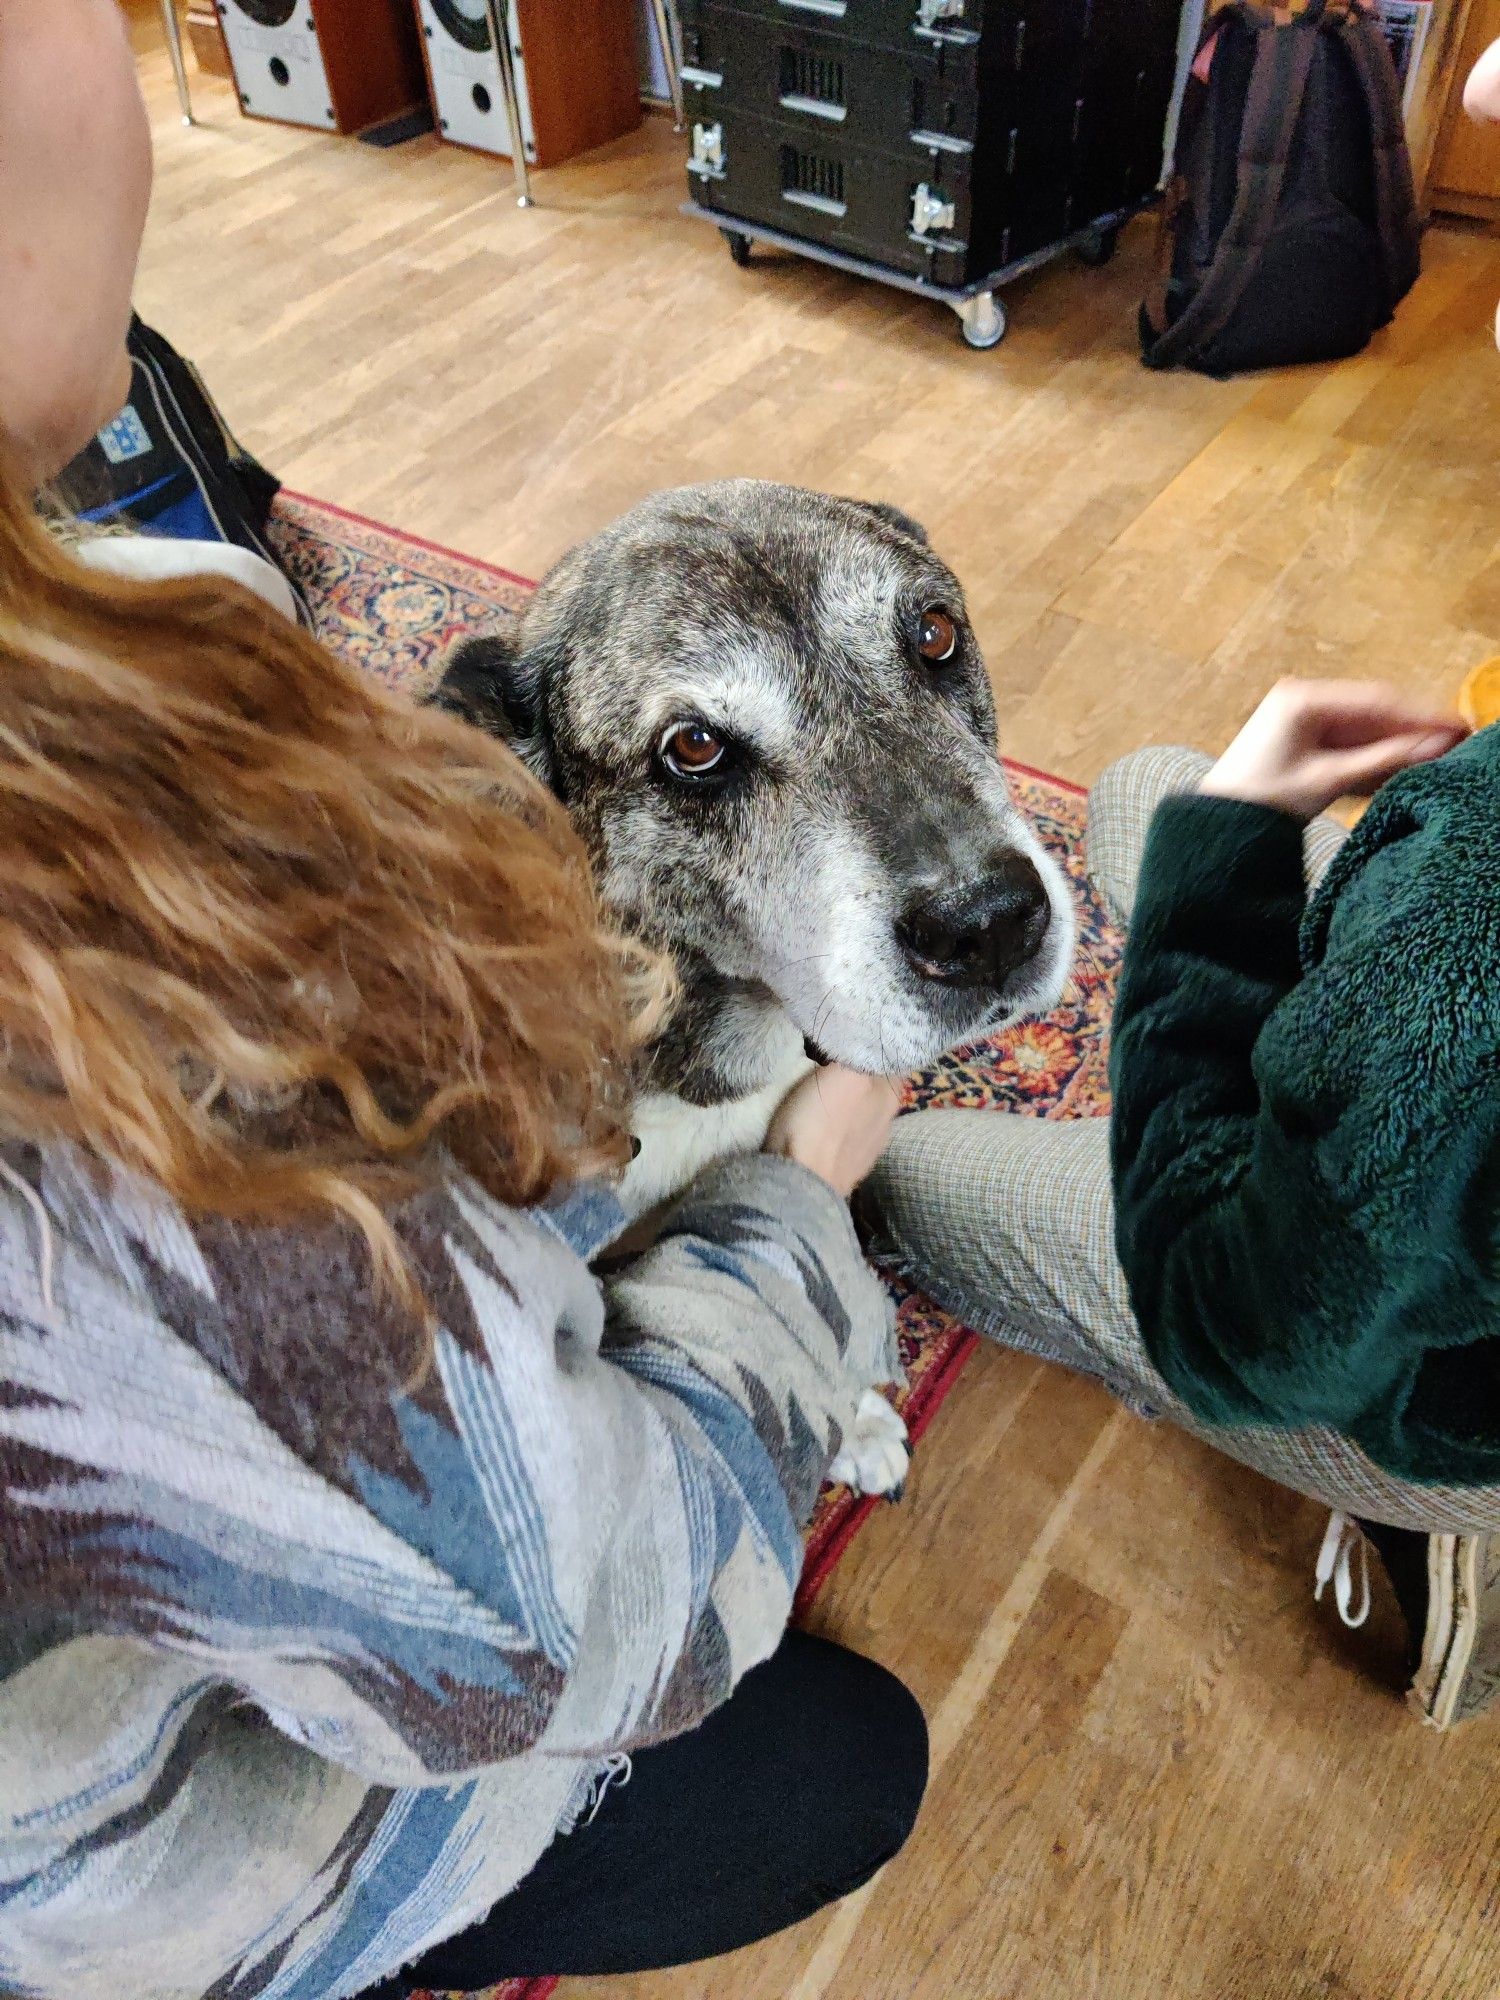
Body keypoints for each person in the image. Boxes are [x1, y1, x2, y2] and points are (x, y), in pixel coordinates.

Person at [0, 5, 926, 1996]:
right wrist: (805, 1194)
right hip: (122, 1872)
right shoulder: (135, 1040)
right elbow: (571, 1627)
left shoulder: (152, 629)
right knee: (847, 1763)